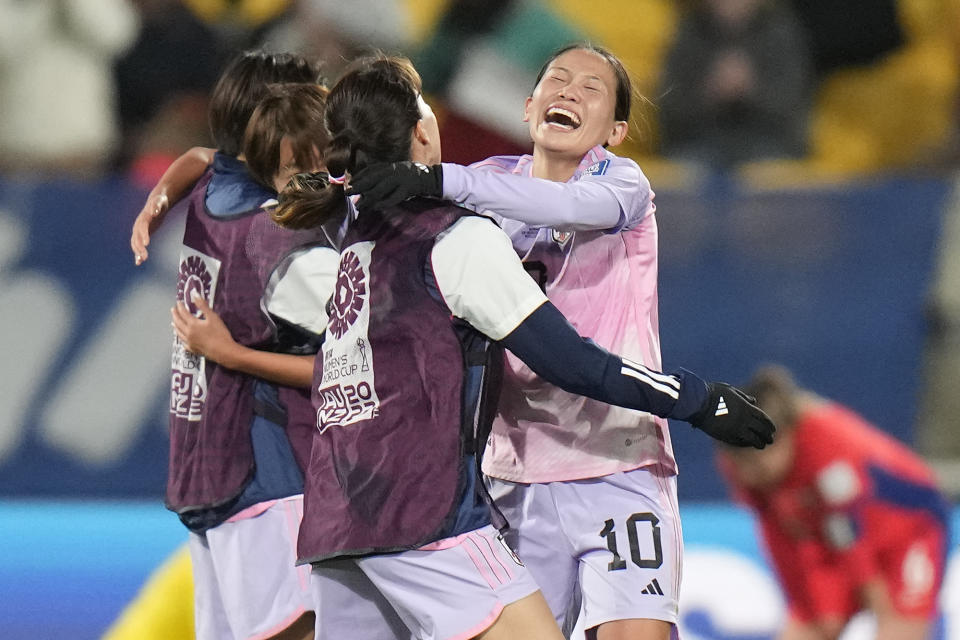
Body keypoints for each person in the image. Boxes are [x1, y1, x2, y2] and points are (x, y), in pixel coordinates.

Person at [257, 53, 772, 640]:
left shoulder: (617, 183)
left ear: (616, 132)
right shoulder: (471, 199)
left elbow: (563, 207)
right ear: (527, 108)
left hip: (615, 458)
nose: (571, 91)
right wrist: (346, 183)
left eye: (593, 88)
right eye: (556, 79)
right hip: (511, 475)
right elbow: (391, 209)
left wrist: (434, 180)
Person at [138, 50, 333, 640]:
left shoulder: (210, 193)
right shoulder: (284, 242)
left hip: (208, 471)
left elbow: (204, 157)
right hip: (273, 476)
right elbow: (359, 368)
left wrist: (160, 195)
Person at [717, 365, 949, 640]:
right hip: (832, 541)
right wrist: (805, 604)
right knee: (810, 628)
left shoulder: (827, 441)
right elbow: (778, 535)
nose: (752, 473)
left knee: (897, 628)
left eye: (759, 462)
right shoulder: (738, 460)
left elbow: (849, 526)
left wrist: (875, 596)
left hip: (911, 530)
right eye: (743, 465)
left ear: (787, 437)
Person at [655, 0, 812, 168]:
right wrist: (709, 92)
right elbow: (669, 110)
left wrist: (752, 90)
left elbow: (795, 106)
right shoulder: (688, 32)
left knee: (772, 173)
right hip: (699, 144)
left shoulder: (781, 32)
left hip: (769, 144)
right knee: (683, 172)